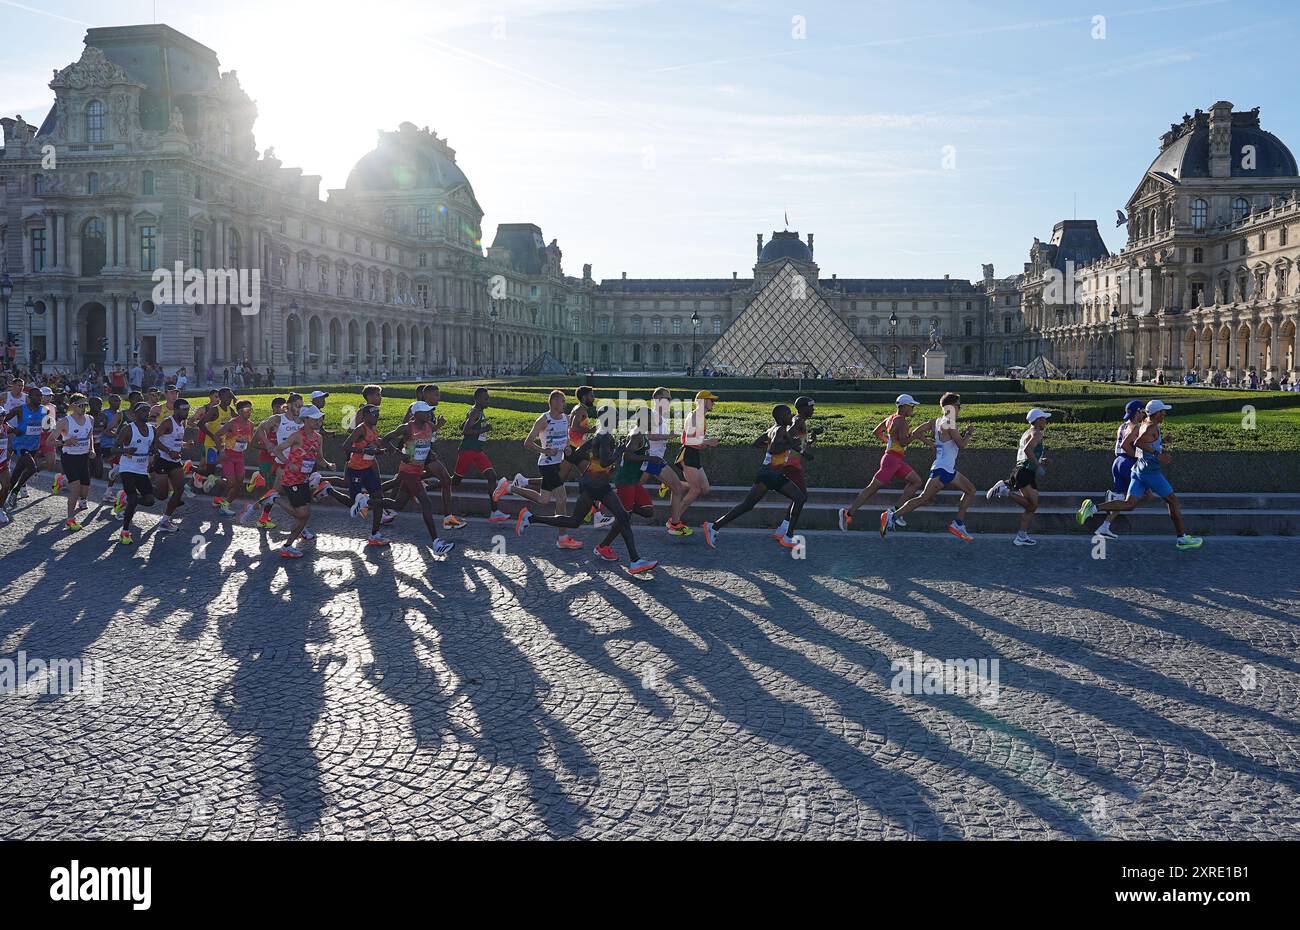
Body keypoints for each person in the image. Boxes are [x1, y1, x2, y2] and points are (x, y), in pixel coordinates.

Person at [516, 405, 658, 574]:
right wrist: (619, 451)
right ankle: (634, 561)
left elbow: (577, 456)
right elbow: (605, 462)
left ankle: (530, 518)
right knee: (622, 518)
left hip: (594, 483)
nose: (619, 419)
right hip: (596, 484)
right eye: (616, 416)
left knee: (576, 521)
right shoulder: (604, 436)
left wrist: (569, 452)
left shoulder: (599, 434)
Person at [1076, 400, 1203, 550]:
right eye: (1163, 411)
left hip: (1138, 470)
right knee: (1173, 501)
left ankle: (1092, 508)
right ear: (1156, 414)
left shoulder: (1145, 424)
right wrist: (1158, 455)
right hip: (1150, 472)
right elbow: (1138, 443)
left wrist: (1163, 442)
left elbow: (1147, 442)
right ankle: (1182, 538)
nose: (1165, 414)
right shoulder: (1150, 427)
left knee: (1129, 504)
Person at [702, 404, 807, 550]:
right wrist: (787, 445)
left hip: (766, 473)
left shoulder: (772, 429)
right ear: (783, 417)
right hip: (773, 474)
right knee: (800, 498)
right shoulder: (781, 429)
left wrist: (788, 445)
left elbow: (756, 443)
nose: (791, 416)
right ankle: (788, 536)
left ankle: (713, 526)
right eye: (789, 414)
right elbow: (775, 448)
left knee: (748, 505)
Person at [881, 392, 976, 540]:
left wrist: (931, 444)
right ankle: (892, 516)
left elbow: (916, 432)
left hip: (947, 468)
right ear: (951, 407)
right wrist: (969, 433)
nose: (960, 408)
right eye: (959, 405)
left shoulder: (936, 421)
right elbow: (962, 444)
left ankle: (958, 523)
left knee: (970, 490)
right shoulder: (950, 423)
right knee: (923, 498)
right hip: (942, 469)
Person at [505, 389, 582, 549]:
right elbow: (527, 443)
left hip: (557, 463)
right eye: (562, 401)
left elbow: (566, 439)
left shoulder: (566, 418)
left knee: (543, 499)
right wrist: (545, 451)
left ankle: (510, 487)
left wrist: (567, 448)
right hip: (546, 464)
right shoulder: (544, 419)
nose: (564, 404)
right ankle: (562, 537)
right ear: (554, 402)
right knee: (562, 498)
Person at [838, 394, 925, 532]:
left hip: (895, 459)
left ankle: (894, 512)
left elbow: (877, 432)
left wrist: (889, 443)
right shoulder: (902, 421)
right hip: (892, 461)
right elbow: (903, 442)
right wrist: (914, 435)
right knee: (871, 488)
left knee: (916, 481)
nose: (913, 409)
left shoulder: (890, 418)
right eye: (911, 406)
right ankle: (848, 513)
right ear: (904, 406)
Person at [382, 402, 455, 555]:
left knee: (398, 504)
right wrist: (399, 454)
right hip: (408, 471)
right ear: (415, 414)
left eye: (429, 411)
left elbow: (430, 432)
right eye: (425, 412)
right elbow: (385, 439)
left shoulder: (428, 425)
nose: (429, 414)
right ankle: (436, 543)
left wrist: (439, 426)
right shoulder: (407, 428)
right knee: (426, 503)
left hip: (417, 470)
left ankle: (367, 501)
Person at [986, 407, 1051, 546]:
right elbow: (1028, 450)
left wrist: (1039, 461)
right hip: (1025, 471)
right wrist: (1038, 465)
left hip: (1022, 470)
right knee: (1032, 505)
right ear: (1038, 420)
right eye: (1044, 418)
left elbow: (1025, 453)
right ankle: (1005, 491)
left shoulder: (1027, 432)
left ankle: (1022, 536)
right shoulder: (1038, 433)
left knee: (1032, 506)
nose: (1046, 421)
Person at [269, 405, 327, 558]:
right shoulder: (297, 436)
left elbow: (319, 458)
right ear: (305, 420)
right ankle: (276, 499)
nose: (318, 421)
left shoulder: (318, 438)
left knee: (305, 516)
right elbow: (277, 450)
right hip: (291, 479)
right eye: (315, 418)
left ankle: (287, 546)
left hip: (304, 479)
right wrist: (289, 464)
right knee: (303, 513)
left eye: (319, 418)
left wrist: (328, 465)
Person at [451, 387, 511, 523]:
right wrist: (485, 429)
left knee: (492, 476)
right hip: (468, 450)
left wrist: (471, 424)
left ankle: (495, 512)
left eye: (488, 397)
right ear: (478, 399)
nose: (487, 400)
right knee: (455, 481)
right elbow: (466, 431)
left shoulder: (476, 412)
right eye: (485, 398)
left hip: (477, 451)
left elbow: (464, 425)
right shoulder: (475, 411)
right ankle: (426, 487)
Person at [338, 403, 391, 546]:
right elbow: (345, 447)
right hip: (355, 469)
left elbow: (373, 445)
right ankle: (327, 489)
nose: (376, 417)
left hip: (368, 470)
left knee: (379, 497)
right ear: (365, 416)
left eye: (377, 415)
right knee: (352, 503)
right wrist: (364, 451)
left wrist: (380, 451)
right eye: (374, 415)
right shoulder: (359, 429)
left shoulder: (373, 429)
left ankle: (375, 534)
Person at [641, 387, 691, 537]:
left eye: (670, 398)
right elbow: (649, 435)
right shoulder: (653, 416)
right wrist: (669, 436)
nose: (669, 401)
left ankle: (600, 504)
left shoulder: (661, 417)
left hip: (652, 459)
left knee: (631, 487)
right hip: (653, 459)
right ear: (657, 400)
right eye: (666, 398)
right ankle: (674, 524)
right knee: (678, 488)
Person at [671, 389, 721, 530]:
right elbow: (687, 441)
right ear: (703, 401)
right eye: (711, 400)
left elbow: (695, 440)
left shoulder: (700, 416)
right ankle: (674, 521)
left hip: (694, 454)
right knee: (695, 490)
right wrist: (707, 442)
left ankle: (672, 483)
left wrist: (704, 443)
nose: (713, 403)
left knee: (705, 489)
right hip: (688, 455)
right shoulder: (695, 417)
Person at [111, 402, 157, 546]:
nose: (146, 413)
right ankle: (125, 531)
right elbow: (114, 448)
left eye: (148, 411)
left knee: (150, 501)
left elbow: (153, 446)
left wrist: (153, 454)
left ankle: (123, 500)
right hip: (128, 467)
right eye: (143, 411)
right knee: (133, 498)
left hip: (142, 469)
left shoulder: (152, 429)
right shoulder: (128, 429)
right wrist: (125, 451)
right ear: (135, 414)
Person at [51, 393, 95, 530]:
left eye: (86, 405)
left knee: (84, 490)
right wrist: (65, 441)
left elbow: (90, 435)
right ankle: (70, 519)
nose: (84, 408)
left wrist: (92, 449)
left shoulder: (90, 419)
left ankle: (62, 480)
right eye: (81, 405)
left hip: (83, 457)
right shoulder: (65, 421)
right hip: (69, 458)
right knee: (75, 490)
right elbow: (50, 441)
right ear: (73, 406)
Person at [4, 387, 50, 510]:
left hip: (34, 445)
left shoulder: (44, 410)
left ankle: (4, 496)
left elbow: (46, 428)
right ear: (29, 397)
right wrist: (13, 430)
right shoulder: (20, 410)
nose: (40, 398)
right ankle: (15, 491)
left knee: (18, 471)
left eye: (41, 396)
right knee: (32, 468)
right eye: (37, 396)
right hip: (20, 445)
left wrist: (48, 423)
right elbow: (3, 419)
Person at [150, 397, 192, 533]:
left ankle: (165, 520)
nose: (186, 412)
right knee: (162, 495)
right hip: (162, 460)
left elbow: (176, 441)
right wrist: (169, 451)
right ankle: (143, 489)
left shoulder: (182, 424)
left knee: (179, 490)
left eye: (188, 409)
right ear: (176, 410)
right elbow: (155, 441)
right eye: (184, 409)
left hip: (175, 461)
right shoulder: (168, 423)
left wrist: (186, 445)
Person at [212, 399, 256, 518]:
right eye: (247, 410)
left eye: (251, 409)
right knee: (232, 484)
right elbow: (216, 435)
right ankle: (214, 482)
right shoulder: (232, 424)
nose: (250, 412)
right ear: (239, 411)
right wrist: (221, 451)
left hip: (239, 457)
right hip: (228, 456)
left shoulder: (251, 424)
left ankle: (225, 505)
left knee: (239, 484)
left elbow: (250, 440)